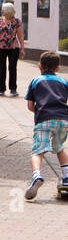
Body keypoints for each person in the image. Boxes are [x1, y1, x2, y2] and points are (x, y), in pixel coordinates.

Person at [23, 51, 68, 199]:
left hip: (44, 119)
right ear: (58, 68)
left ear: (39, 66)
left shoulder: (36, 81)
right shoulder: (64, 82)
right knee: (60, 147)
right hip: (62, 120)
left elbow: (30, 106)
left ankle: (36, 176)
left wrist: (42, 110)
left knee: (38, 151)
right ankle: (66, 176)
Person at [0, 2, 26, 96]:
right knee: (2, 68)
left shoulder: (17, 22)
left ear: (8, 11)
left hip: (13, 47)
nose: (2, 11)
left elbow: (21, 36)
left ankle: (13, 88)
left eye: (3, 10)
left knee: (12, 67)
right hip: (0, 47)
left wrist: (22, 49)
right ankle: (1, 89)